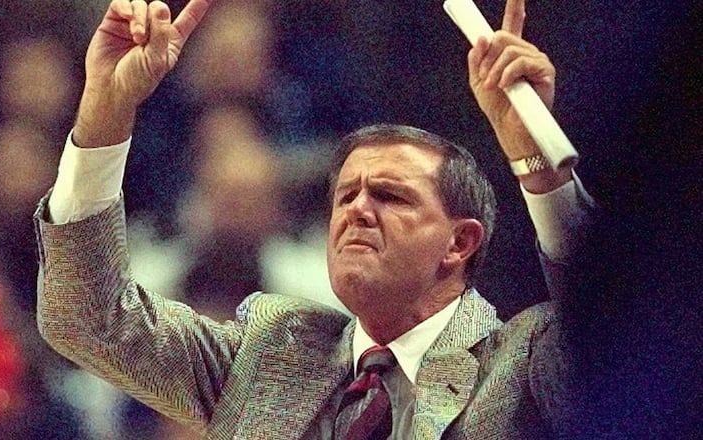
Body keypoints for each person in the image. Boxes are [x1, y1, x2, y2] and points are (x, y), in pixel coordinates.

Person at [36, 0, 594, 438]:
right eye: (344, 195)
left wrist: (540, 165)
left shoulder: (521, 363)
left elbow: (614, 322)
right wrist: (106, 110)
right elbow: (89, 322)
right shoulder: (270, 354)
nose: (356, 210)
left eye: (390, 196)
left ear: (460, 242)